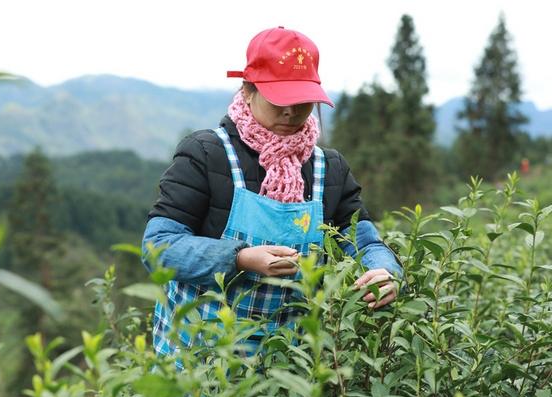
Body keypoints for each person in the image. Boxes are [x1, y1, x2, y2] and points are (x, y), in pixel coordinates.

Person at [142, 26, 403, 366]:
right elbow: (158, 246)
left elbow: (364, 242)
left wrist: (385, 271)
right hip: (200, 364)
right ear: (248, 91)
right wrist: (240, 258)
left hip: (288, 369)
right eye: (279, 100)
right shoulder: (207, 155)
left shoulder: (329, 169)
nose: (291, 113)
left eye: (302, 102)